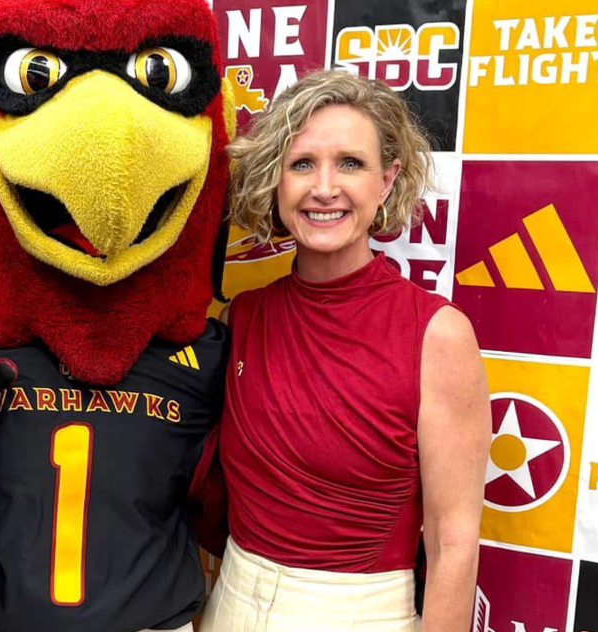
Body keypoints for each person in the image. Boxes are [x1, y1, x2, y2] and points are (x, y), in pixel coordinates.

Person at [203, 69, 490, 632]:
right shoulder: (245, 315)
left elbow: (455, 541)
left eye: (351, 164)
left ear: (387, 181)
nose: (324, 187)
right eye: (302, 164)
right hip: (230, 601)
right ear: (275, 180)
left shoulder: (437, 333)